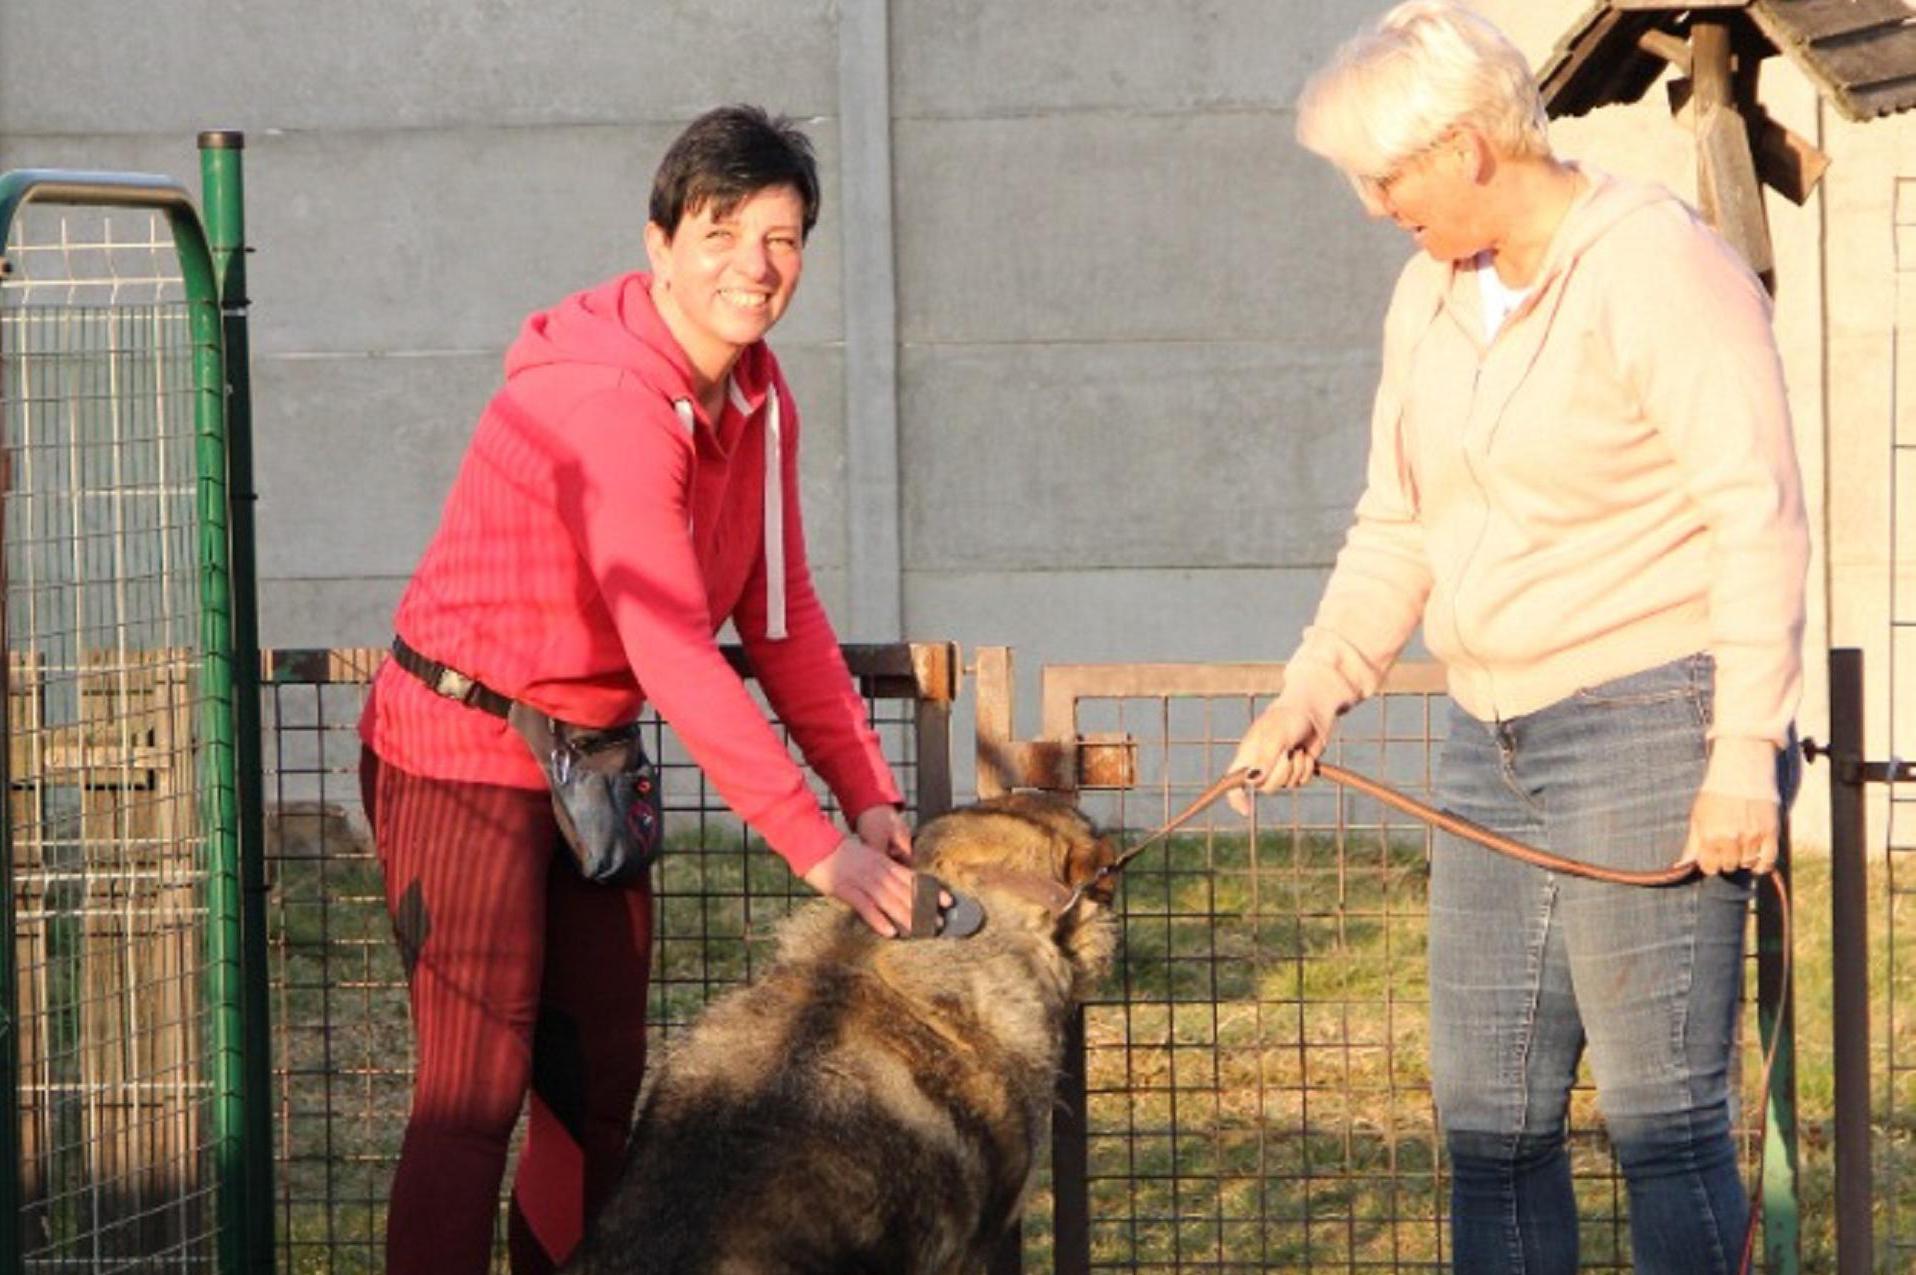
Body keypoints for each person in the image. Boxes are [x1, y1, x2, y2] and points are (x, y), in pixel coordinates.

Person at [1225, 5, 1808, 1272]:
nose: (1374, 208)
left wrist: (1740, 752)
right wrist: (1314, 688)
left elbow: (1753, 512)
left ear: (1464, 148)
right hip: (1485, 740)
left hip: (1653, 722)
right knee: (1486, 1122)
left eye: (1383, 177)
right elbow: (1399, 523)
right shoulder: (1427, 297)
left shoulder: (1655, 265)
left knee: (1662, 1125)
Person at [357, 105, 920, 1275]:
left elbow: (780, 621)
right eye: (722, 232)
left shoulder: (758, 399)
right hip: (459, 743)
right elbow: (670, 642)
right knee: (475, 1087)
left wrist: (867, 793)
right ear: (659, 242)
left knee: (596, 1083)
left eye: (783, 239)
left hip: (589, 758)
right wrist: (819, 850)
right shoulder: (610, 401)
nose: (755, 267)